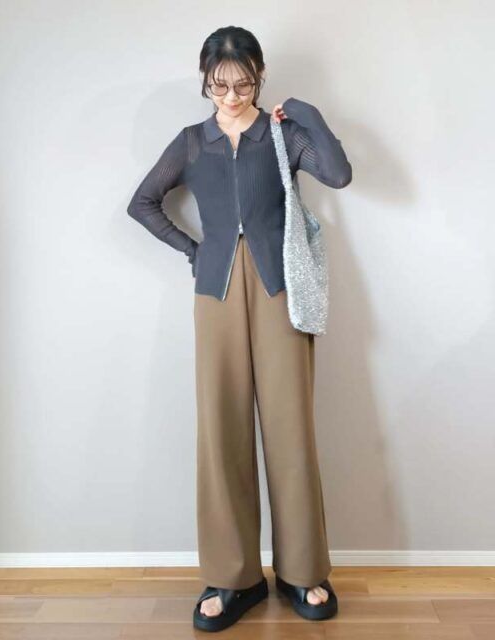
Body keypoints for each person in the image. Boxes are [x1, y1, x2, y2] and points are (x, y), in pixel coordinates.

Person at [127, 25, 352, 633]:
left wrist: (304, 111)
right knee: (221, 431)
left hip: (281, 291)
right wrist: (193, 249)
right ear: (205, 81)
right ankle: (233, 578)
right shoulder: (191, 142)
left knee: (290, 430)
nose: (230, 96)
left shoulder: (282, 133)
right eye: (218, 85)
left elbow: (338, 174)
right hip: (215, 294)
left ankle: (303, 571)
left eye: (243, 84)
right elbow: (142, 203)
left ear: (260, 77)